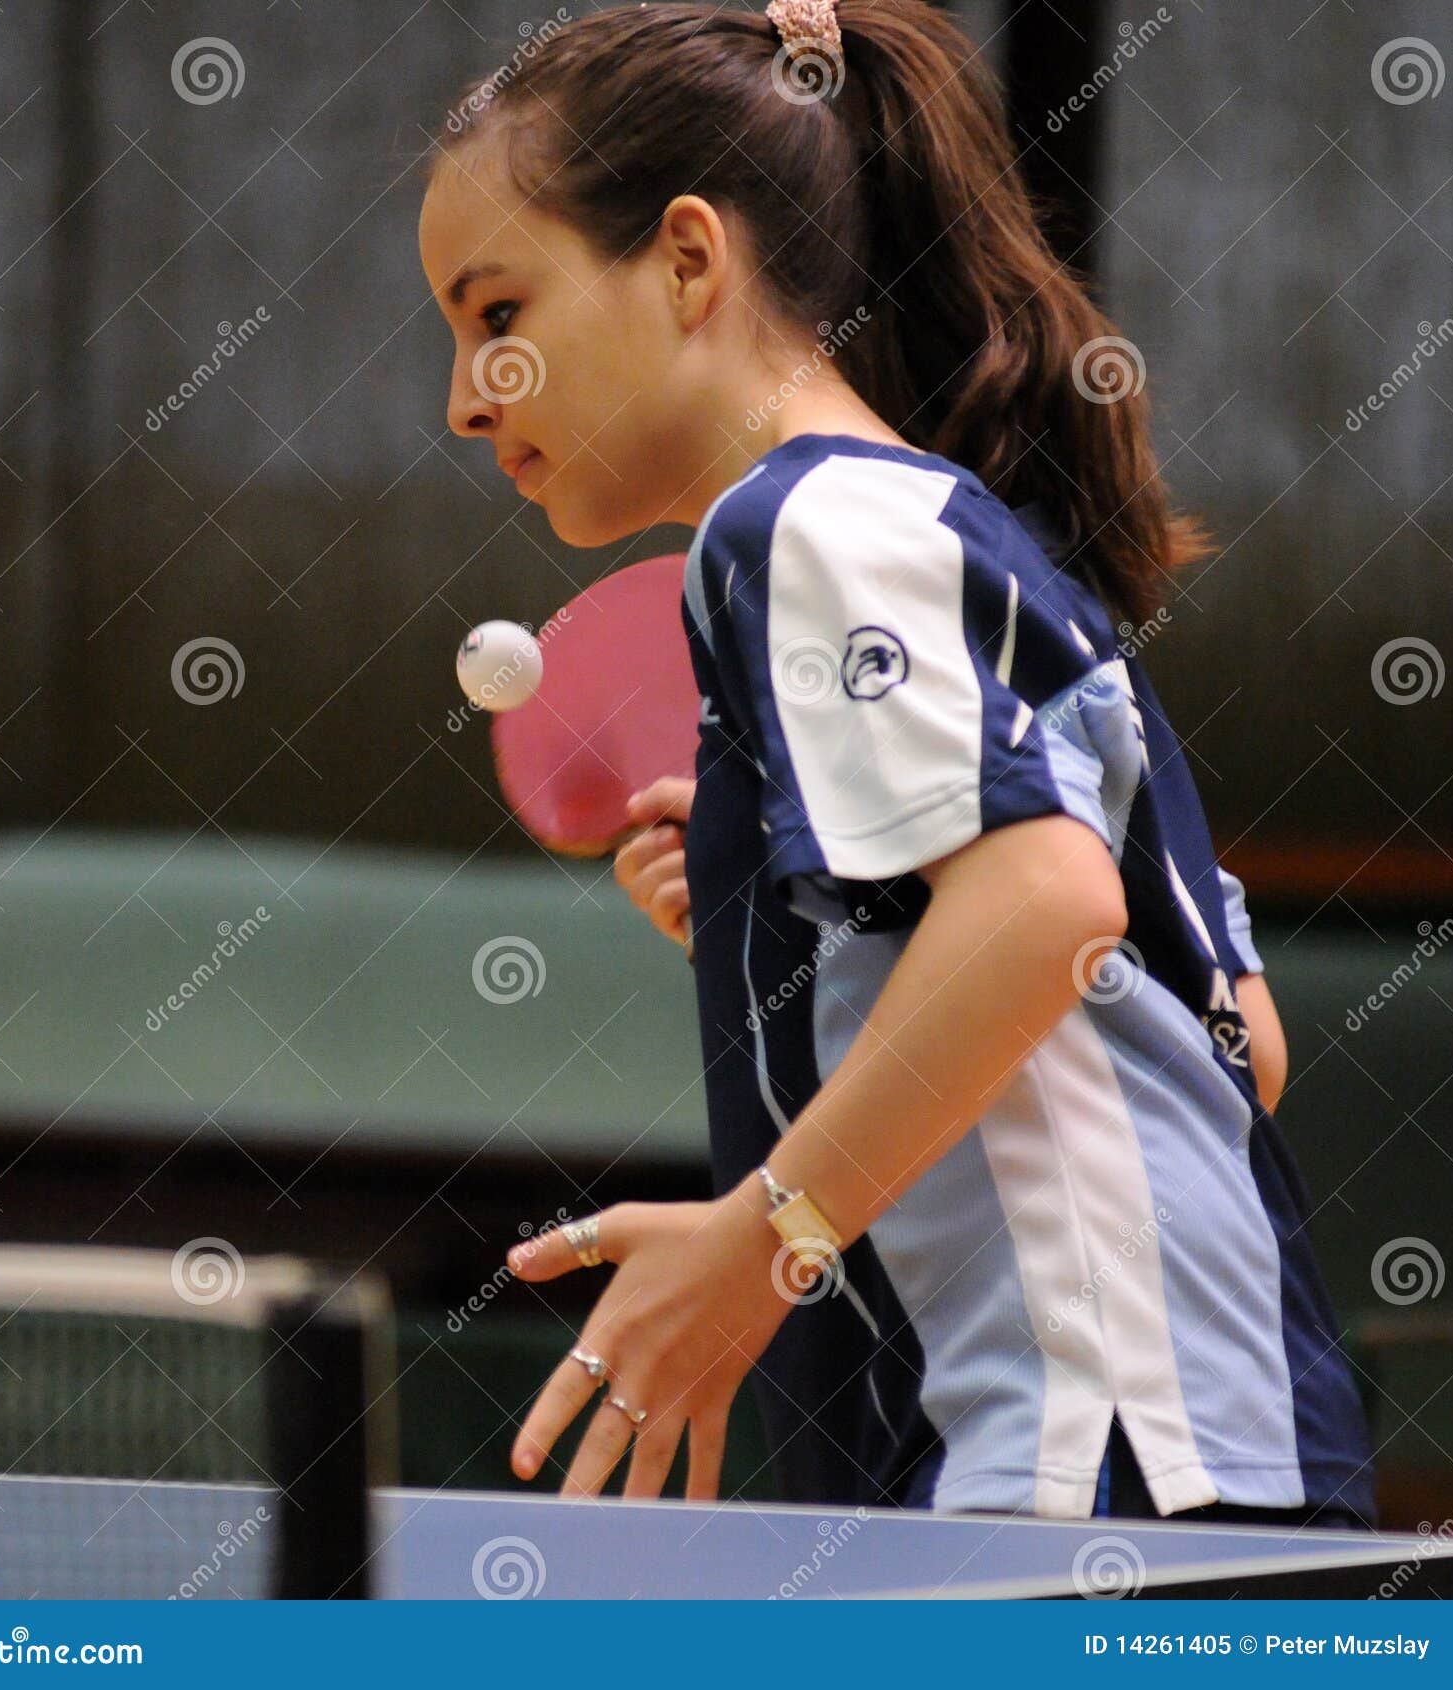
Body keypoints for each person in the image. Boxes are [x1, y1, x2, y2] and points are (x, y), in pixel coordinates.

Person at [419, 0, 1376, 1525]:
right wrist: (814, 928)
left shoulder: (795, 527)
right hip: (1237, 1448)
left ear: (685, 257)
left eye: (498, 317)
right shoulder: (983, 548)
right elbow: (1228, 1039)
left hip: (1078, 1467)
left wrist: (761, 1241)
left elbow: (1048, 906)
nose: (465, 400)